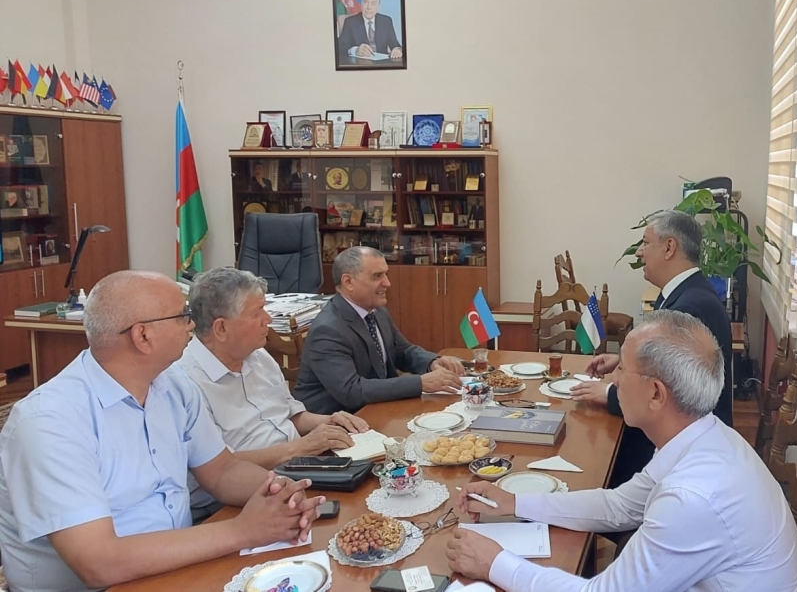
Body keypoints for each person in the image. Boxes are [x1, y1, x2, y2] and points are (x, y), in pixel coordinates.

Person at [0, 271, 324, 592]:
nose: (192, 324)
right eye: (182, 315)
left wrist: (280, 493)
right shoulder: (49, 422)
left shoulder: (173, 385)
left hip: (176, 569)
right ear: (142, 336)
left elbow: (222, 471)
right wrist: (243, 531)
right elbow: (99, 563)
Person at [448, 310, 797, 592]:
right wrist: (514, 503)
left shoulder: (692, 498)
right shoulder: (706, 435)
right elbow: (619, 506)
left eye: (622, 367)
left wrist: (494, 562)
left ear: (656, 393)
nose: (613, 378)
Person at [179, 267, 369, 519]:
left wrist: (329, 422)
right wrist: (299, 448)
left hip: (297, 470)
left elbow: (290, 415)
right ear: (221, 328)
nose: (268, 319)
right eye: (257, 312)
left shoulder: (258, 356)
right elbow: (219, 468)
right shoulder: (185, 384)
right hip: (233, 504)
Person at [571, 210, 733, 484]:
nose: (639, 253)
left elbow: (668, 395)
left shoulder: (690, 308)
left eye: (645, 243)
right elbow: (664, 365)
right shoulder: (684, 292)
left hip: (683, 456)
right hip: (678, 440)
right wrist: (623, 362)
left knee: (587, 459)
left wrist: (609, 393)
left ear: (669, 247)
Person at [293, 246, 463, 413]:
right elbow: (352, 391)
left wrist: (431, 362)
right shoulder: (327, 330)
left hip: (378, 407)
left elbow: (402, 351)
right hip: (337, 418)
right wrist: (420, 383)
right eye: (377, 276)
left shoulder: (376, 310)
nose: (387, 283)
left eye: (386, 274)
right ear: (348, 282)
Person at [338, 0, 403, 60]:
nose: (369, 7)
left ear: (378, 6)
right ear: (361, 4)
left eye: (373, 3)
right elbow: (340, 47)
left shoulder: (386, 21)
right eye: (366, 2)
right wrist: (355, 50)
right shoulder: (350, 22)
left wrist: (397, 50)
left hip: (382, 63)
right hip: (360, 63)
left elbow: (395, 45)